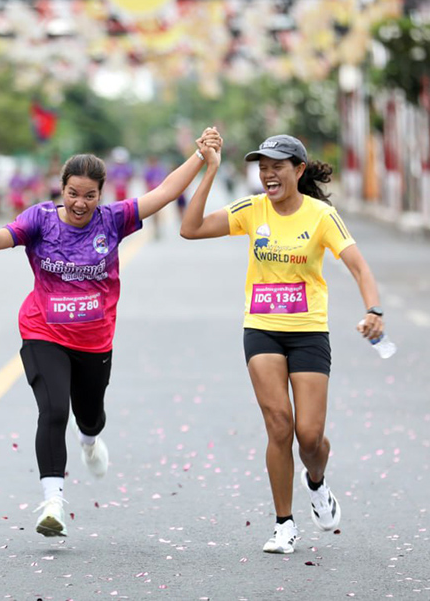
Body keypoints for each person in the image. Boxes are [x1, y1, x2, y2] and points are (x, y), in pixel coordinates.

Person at [0, 129, 219, 539]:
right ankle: (53, 503)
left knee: (90, 415)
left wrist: (200, 156)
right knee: (53, 411)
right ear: (61, 188)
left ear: (101, 194)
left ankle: (89, 439)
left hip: (94, 341)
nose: (80, 203)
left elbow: (166, 191)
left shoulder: (113, 219)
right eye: (72, 193)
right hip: (43, 331)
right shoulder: (39, 219)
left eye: (89, 195)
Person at [179, 133, 387, 555]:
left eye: (277, 166)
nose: (268, 175)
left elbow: (359, 267)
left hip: (308, 332)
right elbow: (190, 228)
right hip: (262, 329)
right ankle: (284, 524)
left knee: (309, 437)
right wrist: (210, 167)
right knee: (279, 425)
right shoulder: (251, 209)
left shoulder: (321, 215)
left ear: (299, 170)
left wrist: (374, 311)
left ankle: (317, 482)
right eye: (262, 168)